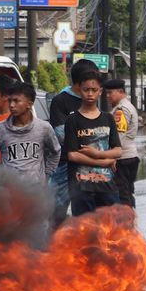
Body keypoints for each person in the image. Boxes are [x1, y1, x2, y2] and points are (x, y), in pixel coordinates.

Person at [49, 59, 102, 223]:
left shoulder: (91, 99)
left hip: (91, 164)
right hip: (65, 164)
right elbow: (61, 134)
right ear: (79, 83)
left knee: (89, 212)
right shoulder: (61, 100)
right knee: (56, 209)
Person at [62, 75, 123, 213]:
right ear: (80, 91)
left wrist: (97, 153)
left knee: (111, 223)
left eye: (94, 90)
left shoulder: (108, 118)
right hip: (81, 187)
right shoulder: (72, 119)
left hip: (107, 185)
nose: (90, 93)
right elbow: (72, 155)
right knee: (85, 225)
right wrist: (103, 162)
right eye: (86, 90)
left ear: (100, 91)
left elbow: (118, 150)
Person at [0, 82, 61, 187]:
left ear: (29, 104)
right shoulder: (0, 129)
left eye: (16, 101)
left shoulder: (44, 128)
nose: (11, 105)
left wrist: (46, 175)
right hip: (9, 190)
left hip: (35, 190)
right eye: (10, 101)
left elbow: (56, 152)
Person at [104, 78, 139, 207]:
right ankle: (129, 217)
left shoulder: (121, 109)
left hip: (123, 158)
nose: (108, 96)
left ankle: (126, 218)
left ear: (120, 91)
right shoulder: (126, 106)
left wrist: (113, 157)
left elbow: (119, 136)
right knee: (127, 192)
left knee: (122, 194)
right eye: (107, 93)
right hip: (128, 156)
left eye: (110, 93)